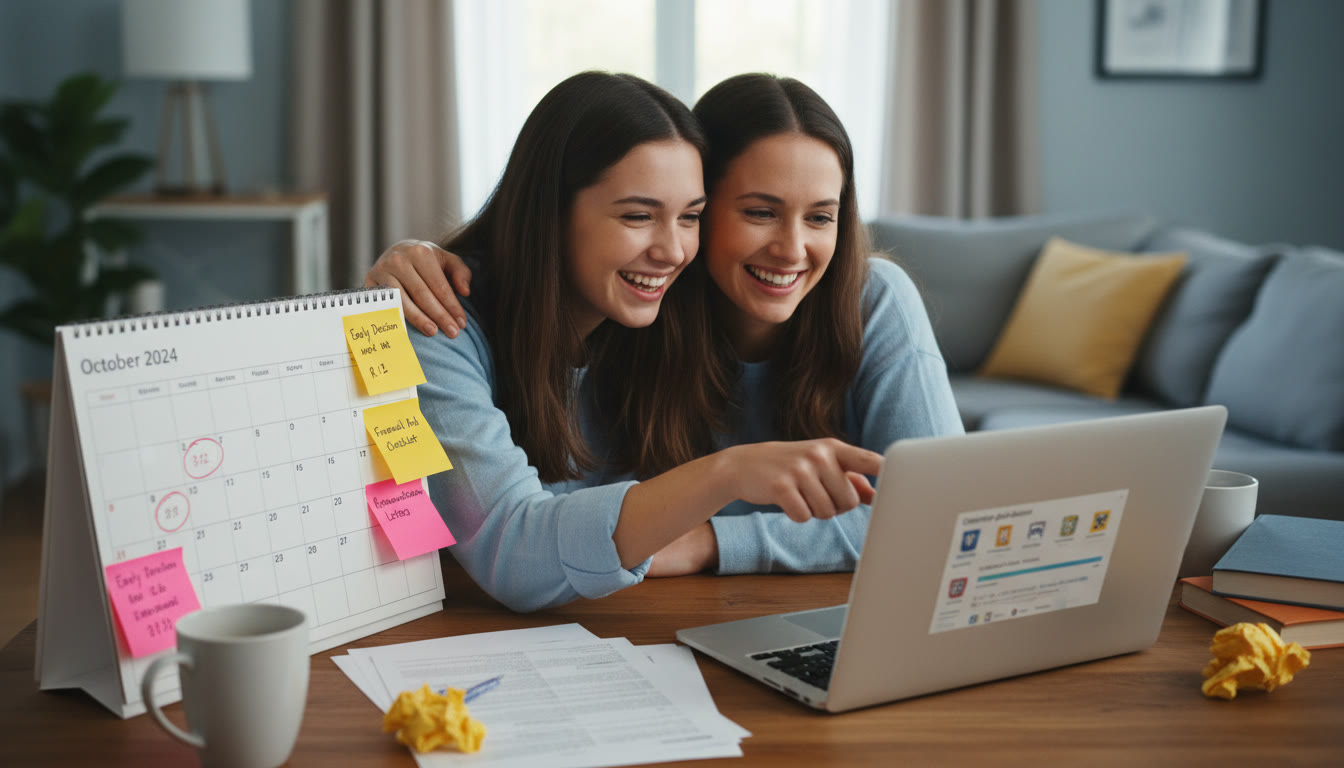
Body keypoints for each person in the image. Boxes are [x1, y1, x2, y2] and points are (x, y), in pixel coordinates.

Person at [394, 71, 884, 613]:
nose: (673, 251)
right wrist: (729, 473)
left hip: (624, 632)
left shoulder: (655, 316)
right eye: (638, 215)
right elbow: (515, 555)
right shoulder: (439, 325)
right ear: (550, 211)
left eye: (691, 218)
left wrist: (715, 534)